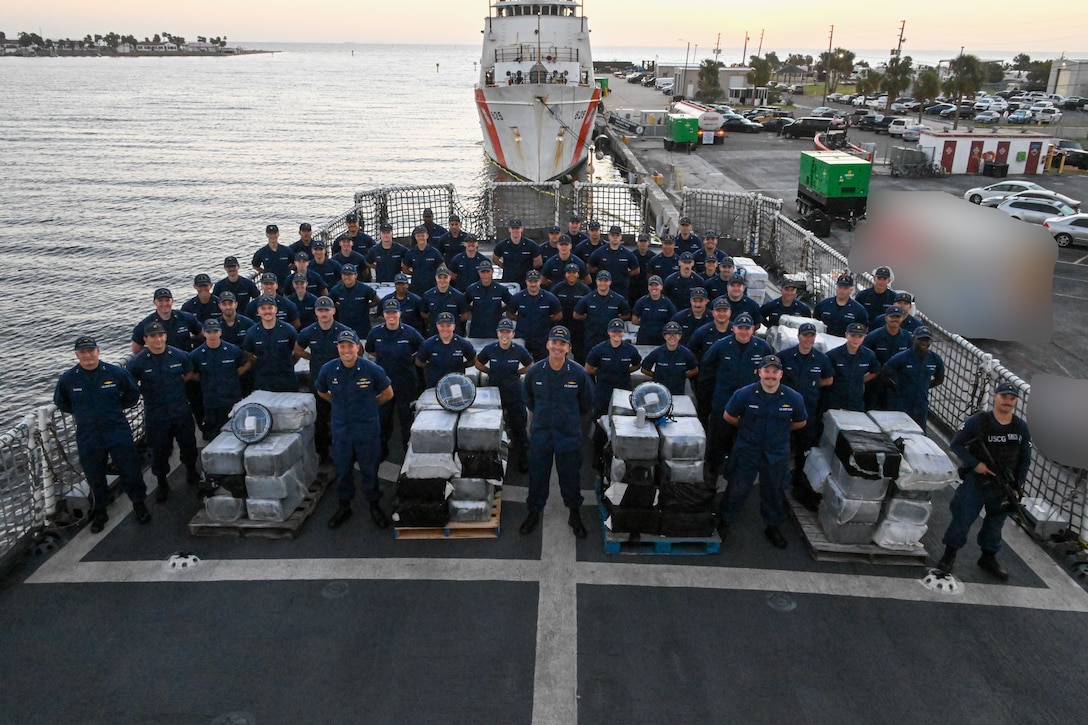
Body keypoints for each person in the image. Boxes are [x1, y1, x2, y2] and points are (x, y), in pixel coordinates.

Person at [54, 335, 149, 533]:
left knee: (130, 469)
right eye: (83, 352)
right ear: (76, 354)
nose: (87, 355)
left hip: (116, 430)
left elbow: (132, 395)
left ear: (98, 351)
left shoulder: (115, 373)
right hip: (89, 434)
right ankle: (100, 510)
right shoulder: (68, 379)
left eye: (91, 351)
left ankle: (139, 504)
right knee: (94, 474)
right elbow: (62, 402)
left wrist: (114, 409)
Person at [937, 382, 1031, 581]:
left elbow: (1025, 458)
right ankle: (949, 555)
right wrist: (975, 463)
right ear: (995, 396)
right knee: (961, 519)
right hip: (976, 482)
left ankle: (988, 558)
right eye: (1004, 397)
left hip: (1002, 485)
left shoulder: (1020, 427)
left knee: (995, 525)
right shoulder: (978, 422)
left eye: (1012, 398)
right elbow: (957, 444)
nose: (1008, 402)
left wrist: (1017, 486)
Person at [718, 355, 808, 548]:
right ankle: (724, 520)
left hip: (776, 452)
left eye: (775, 372)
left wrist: (781, 431)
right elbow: (729, 415)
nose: (770, 376)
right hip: (747, 449)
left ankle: (772, 525)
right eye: (767, 371)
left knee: (773, 490)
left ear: (781, 374)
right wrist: (747, 429)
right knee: (737, 487)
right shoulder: (744, 394)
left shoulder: (793, 398)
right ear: (759, 372)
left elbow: (801, 422)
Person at [520, 325, 594, 538]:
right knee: (537, 476)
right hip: (542, 433)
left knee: (570, 476)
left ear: (568, 347)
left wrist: (567, 420)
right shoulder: (535, 372)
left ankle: (574, 513)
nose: (557, 347)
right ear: (548, 344)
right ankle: (534, 512)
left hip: (568, 434)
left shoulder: (578, 373)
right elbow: (528, 398)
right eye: (554, 342)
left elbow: (586, 403)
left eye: (562, 343)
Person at [317, 329, 394, 530]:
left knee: (369, 470)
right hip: (342, 430)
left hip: (366, 429)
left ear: (357, 347)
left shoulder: (372, 369)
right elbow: (321, 391)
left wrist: (370, 405)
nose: (346, 350)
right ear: (338, 348)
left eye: (350, 346)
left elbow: (388, 393)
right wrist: (339, 405)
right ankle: (345, 506)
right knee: (343, 470)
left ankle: (374, 505)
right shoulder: (329, 370)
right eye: (342, 346)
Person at [127, 321, 200, 502]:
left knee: (188, 445)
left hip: (180, 410)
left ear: (165, 336)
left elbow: (189, 373)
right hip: (156, 414)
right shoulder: (138, 363)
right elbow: (130, 384)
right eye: (153, 336)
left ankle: (191, 470)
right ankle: (162, 483)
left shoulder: (179, 356)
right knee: (159, 451)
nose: (158, 339)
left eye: (160, 335)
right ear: (146, 339)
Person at [701, 313, 773, 482]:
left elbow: (770, 375)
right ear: (733, 328)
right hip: (723, 401)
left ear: (753, 330)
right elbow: (706, 372)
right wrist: (706, 400)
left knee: (745, 440)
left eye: (747, 328)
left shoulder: (763, 348)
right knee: (718, 439)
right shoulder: (720, 346)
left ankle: (738, 472)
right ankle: (711, 472)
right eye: (740, 328)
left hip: (750, 404)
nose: (743, 332)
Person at [778, 322, 834, 510]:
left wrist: (811, 386)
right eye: (805, 335)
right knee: (782, 446)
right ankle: (778, 481)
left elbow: (829, 379)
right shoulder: (785, 357)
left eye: (812, 336)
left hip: (808, 411)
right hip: (785, 411)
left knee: (804, 450)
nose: (808, 339)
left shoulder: (820, 359)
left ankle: (798, 485)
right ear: (799, 337)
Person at [366, 299, 424, 458]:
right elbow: (371, 350)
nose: (391, 315)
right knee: (383, 418)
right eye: (388, 312)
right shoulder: (376, 333)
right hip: (383, 384)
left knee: (407, 420)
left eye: (394, 312)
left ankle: (408, 451)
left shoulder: (410, 333)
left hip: (406, 383)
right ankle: (382, 450)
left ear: (400, 313)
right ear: (384, 314)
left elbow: (422, 349)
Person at [295, 296, 351, 462]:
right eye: (320, 310)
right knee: (320, 420)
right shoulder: (309, 332)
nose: (324, 313)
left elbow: (359, 351)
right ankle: (324, 454)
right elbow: (298, 349)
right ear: (316, 312)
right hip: (319, 382)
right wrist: (312, 357)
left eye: (327, 309)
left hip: (341, 383)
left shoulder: (343, 331)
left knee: (342, 419)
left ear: (333, 310)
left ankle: (344, 452)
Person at [475, 318, 533, 471]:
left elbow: (530, 364)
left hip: (514, 392)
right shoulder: (490, 349)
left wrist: (518, 372)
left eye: (508, 332)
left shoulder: (519, 350)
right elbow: (478, 362)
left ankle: (524, 457)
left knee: (519, 425)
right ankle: (490, 459)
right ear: (497, 333)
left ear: (513, 334)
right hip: (494, 392)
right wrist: (489, 371)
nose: (504, 335)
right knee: (491, 424)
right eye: (502, 332)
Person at [189, 318, 250, 438]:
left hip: (232, 400)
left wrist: (233, 375)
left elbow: (246, 363)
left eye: (215, 331)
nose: (212, 335)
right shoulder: (196, 354)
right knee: (215, 436)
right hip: (212, 403)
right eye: (209, 332)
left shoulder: (233, 350)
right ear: (204, 333)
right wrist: (204, 379)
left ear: (220, 332)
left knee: (237, 434)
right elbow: (190, 373)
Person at [882, 326, 945, 431]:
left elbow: (940, 379)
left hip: (921, 405)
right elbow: (884, 373)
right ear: (913, 339)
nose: (924, 342)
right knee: (898, 432)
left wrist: (924, 387)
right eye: (920, 339)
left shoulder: (935, 359)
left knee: (919, 433)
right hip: (901, 403)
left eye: (927, 339)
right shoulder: (902, 357)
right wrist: (896, 387)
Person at [688, 296, 733, 428]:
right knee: (703, 413)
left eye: (725, 311)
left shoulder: (737, 331)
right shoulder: (702, 332)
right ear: (713, 312)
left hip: (729, 382)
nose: (721, 314)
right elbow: (691, 353)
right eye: (718, 311)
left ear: (730, 313)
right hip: (707, 380)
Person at [584, 318, 642, 419]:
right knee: (600, 417)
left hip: (623, 388)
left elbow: (637, 365)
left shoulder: (630, 350)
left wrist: (624, 371)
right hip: (603, 390)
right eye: (613, 331)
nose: (616, 334)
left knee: (623, 417)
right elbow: (588, 368)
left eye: (619, 331)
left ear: (623, 333)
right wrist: (601, 373)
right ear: (609, 332)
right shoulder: (598, 349)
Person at [242, 295, 299, 392]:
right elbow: (248, 353)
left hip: (287, 379)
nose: (267, 311)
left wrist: (289, 363)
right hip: (264, 380)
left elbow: (298, 350)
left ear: (276, 309)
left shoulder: (288, 330)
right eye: (263, 308)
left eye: (270, 308)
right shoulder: (252, 332)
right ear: (258, 311)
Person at [863, 305, 912, 410]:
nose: (895, 319)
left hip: (896, 384)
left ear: (902, 318)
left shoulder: (908, 338)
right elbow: (864, 356)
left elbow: (911, 358)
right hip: (875, 382)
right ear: (886, 318)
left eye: (898, 317)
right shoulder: (873, 337)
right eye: (892, 316)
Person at [822, 322, 880, 412]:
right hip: (835, 400)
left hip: (856, 400)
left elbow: (875, 371)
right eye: (853, 335)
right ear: (846, 335)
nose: (856, 339)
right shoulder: (833, 355)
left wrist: (860, 380)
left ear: (864, 337)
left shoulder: (868, 355)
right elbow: (825, 375)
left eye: (860, 336)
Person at [573, 271, 631, 359]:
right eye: (601, 280)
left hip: (610, 339)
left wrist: (615, 319)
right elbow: (576, 314)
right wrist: (589, 318)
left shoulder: (618, 299)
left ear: (610, 282)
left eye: (606, 281)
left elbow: (627, 314)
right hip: (592, 338)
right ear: (596, 281)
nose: (603, 283)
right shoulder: (588, 298)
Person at [507, 270, 562, 360]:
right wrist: (521, 319)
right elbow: (509, 314)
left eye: (535, 281)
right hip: (522, 337)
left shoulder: (550, 298)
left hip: (542, 338)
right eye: (530, 281)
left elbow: (558, 315)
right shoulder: (517, 298)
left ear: (540, 281)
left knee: (542, 365)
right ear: (526, 282)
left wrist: (545, 320)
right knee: (521, 363)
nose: (533, 284)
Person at [131, 287, 202, 354]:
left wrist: (189, 341)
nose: (164, 304)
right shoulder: (146, 323)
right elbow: (136, 348)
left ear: (172, 301)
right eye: (160, 301)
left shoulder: (186, 317)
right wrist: (155, 352)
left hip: (186, 361)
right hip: (162, 363)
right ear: (154, 302)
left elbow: (202, 334)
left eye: (167, 300)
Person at [416, 312, 477, 388]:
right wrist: (431, 366)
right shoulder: (428, 344)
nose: (445, 329)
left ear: (454, 326)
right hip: (434, 385)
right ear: (437, 326)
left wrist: (461, 366)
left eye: (448, 325)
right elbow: (418, 361)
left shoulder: (463, 343)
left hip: (456, 385)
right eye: (441, 326)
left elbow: (473, 360)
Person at [639, 321, 698, 395]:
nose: (672, 337)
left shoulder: (686, 353)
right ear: (664, 336)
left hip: (678, 393)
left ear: (680, 336)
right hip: (660, 392)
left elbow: (695, 370)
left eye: (675, 334)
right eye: (669, 334)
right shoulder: (657, 352)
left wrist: (681, 376)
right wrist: (657, 377)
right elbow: (644, 369)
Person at [552, 262, 591, 362]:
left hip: (578, 326)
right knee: (559, 351)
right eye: (569, 272)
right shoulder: (558, 288)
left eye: (574, 273)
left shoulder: (584, 289)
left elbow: (589, 306)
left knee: (579, 353)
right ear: (565, 274)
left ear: (578, 274)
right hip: (561, 324)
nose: (571, 275)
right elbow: (551, 303)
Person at [588, 225, 638, 299]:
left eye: (617, 235)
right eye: (612, 235)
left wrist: (625, 275)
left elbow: (636, 269)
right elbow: (589, 266)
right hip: (603, 287)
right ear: (609, 236)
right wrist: (598, 273)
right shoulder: (600, 252)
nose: (615, 237)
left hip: (621, 288)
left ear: (620, 237)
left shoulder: (627, 254)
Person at [464, 259, 511, 338]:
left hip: (494, 329)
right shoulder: (472, 289)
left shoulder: (501, 289)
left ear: (492, 272)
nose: (485, 275)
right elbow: (464, 304)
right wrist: (474, 310)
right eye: (483, 272)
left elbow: (511, 303)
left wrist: (500, 310)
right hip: (477, 329)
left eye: (487, 272)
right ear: (479, 273)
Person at [329, 264, 379, 337]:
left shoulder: (365, 289)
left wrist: (365, 307)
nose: (347, 277)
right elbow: (329, 304)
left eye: (350, 274)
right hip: (344, 326)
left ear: (355, 275)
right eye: (344, 274)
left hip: (362, 327)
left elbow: (377, 301)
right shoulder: (336, 290)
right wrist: (341, 307)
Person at [813, 273, 868, 337]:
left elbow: (862, 331)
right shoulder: (823, 305)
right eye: (840, 287)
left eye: (845, 288)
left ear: (851, 290)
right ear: (836, 287)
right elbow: (815, 324)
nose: (842, 290)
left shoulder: (859, 310)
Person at [420, 265, 469, 336]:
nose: (442, 280)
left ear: (449, 278)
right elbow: (423, 313)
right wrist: (433, 319)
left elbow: (465, 315)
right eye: (439, 278)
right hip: (434, 333)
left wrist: (454, 322)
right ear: (435, 278)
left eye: (445, 277)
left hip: (454, 333)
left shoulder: (458, 296)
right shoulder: (427, 295)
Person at [492, 217, 541, 286]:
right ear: (509, 229)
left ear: (522, 229)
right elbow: (495, 258)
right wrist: (506, 267)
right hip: (508, 280)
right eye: (513, 228)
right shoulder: (502, 245)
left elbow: (538, 262)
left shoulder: (531, 245)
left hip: (525, 281)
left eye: (517, 228)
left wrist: (528, 269)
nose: (515, 230)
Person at [630, 275, 676, 345]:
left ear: (661, 287)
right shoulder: (641, 302)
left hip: (661, 339)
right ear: (648, 287)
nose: (654, 288)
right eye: (651, 285)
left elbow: (673, 320)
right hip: (644, 339)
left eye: (656, 285)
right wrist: (647, 325)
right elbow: (634, 320)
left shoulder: (667, 303)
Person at [403, 225, 446, 296]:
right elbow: (404, 269)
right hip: (416, 288)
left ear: (427, 236)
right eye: (418, 236)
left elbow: (442, 268)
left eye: (422, 235)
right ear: (415, 237)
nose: (420, 238)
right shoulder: (411, 253)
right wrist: (414, 274)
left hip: (431, 287)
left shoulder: (434, 252)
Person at [251, 223, 294, 288]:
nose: (273, 236)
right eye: (270, 234)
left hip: (285, 283)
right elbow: (255, 266)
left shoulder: (286, 250)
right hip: (270, 284)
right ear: (267, 235)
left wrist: (286, 269)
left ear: (278, 234)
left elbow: (295, 262)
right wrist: (265, 272)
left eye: (274, 233)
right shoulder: (262, 252)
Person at [628, 232, 656, 304]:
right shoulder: (631, 256)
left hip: (647, 287)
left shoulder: (653, 257)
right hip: (633, 287)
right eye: (641, 241)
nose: (643, 244)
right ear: (637, 243)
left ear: (648, 243)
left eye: (645, 241)